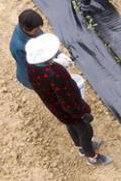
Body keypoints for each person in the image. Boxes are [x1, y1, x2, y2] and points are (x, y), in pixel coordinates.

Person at [25, 33, 112, 165]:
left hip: (56, 108)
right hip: (71, 110)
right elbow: (67, 101)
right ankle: (92, 156)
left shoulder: (31, 67)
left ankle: (81, 147)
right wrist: (83, 113)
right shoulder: (55, 73)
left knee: (71, 125)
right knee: (86, 130)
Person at [10, 9, 45, 89]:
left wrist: (58, 54)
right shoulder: (18, 47)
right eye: (36, 30)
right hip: (32, 77)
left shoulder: (30, 27)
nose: (38, 31)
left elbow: (44, 40)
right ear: (25, 28)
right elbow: (31, 66)